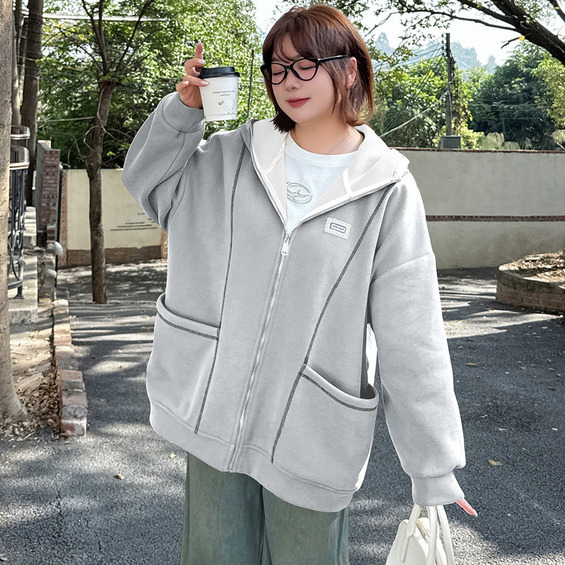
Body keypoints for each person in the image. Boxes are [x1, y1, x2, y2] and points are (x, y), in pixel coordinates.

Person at [122, 5, 474, 564]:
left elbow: (413, 330)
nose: (289, 81)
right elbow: (147, 182)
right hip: (213, 411)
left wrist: (433, 465)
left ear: (350, 70)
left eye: (306, 65)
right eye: (278, 68)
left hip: (314, 432)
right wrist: (183, 112)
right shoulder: (231, 156)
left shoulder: (386, 188)